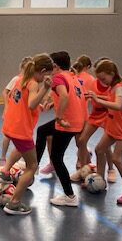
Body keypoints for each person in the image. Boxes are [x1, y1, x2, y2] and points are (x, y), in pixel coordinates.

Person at [0, 54, 54, 215]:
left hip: (11, 126)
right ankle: (14, 203)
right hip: (21, 130)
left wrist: (40, 105)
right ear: (43, 71)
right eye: (48, 74)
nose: (48, 78)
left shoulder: (21, 78)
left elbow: (23, 102)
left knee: (20, 149)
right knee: (32, 166)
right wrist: (45, 88)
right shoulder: (33, 83)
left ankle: (5, 172)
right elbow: (31, 104)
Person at [35, 51, 85, 207]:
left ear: (55, 66)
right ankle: (34, 165)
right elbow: (71, 96)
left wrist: (59, 117)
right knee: (42, 130)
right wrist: (53, 104)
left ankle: (70, 196)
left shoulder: (57, 77)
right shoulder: (72, 76)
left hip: (66, 123)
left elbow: (64, 96)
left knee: (57, 158)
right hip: (78, 121)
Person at [86, 60, 122, 204]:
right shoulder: (113, 86)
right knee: (99, 149)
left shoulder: (119, 87)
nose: (102, 82)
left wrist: (97, 100)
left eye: (103, 79)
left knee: (116, 159)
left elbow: (119, 105)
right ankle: (100, 181)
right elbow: (112, 98)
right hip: (114, 126)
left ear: (112, 74)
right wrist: (95, 96)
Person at [71, 56, 117, 183]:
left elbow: (116, 101)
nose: (101, 79)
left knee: (105, 145)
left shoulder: (114, 86)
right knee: (82, 140)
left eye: (103, 77)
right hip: (96, 114)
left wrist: (98, 97)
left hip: (108, 114)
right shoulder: (92, 82)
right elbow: (83, 94)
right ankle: (83, 168)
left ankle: (111, 169)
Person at [0, 56, 33, 165]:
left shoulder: (31, 82)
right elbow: (5, 92)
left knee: (23, 135)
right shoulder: (16, 79)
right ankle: (3, 157)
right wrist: (6, 107)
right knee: (7, 135)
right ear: (22, 68)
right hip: (13, 112)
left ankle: (23, 156)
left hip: (23, 115)